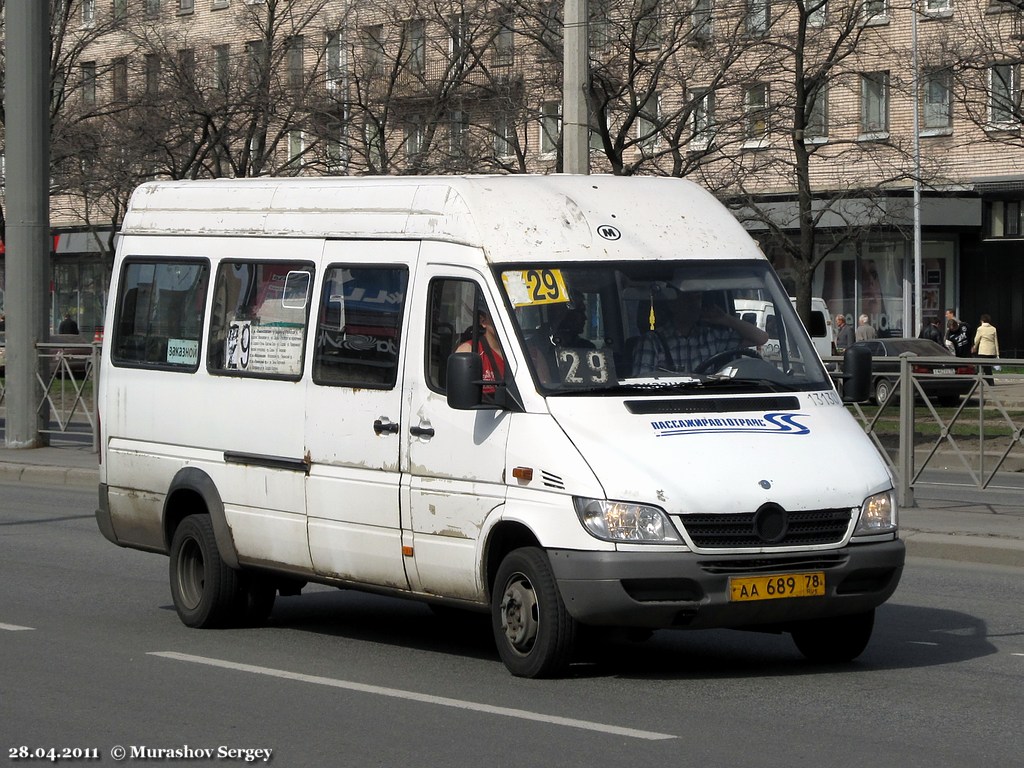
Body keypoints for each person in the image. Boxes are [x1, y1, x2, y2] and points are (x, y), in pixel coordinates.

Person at [632, 291, 769, 376]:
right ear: (672, 305)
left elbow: (761, 338)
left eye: (697, 298)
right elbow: (641, 384)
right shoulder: (652, 342)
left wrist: (726, 319)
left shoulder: (711, 337)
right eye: (687, 299)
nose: (694, 305)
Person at [455, 308, 505, 396]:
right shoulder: (469, 351)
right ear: (483, 321)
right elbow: (460, 394)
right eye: (499, 315)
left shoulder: (531, 353)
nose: (506, 322)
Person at [971, 313, 1000, 384]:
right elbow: (996, 341)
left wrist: (975, 347)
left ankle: (987, 382)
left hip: (983, 351)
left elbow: (976, 340)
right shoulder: (993, 329)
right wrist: (997, 353)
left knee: (983, 367)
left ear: (982, 321)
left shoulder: (980, 329)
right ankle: (990, 382)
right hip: (992, 351)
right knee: (988, 367)